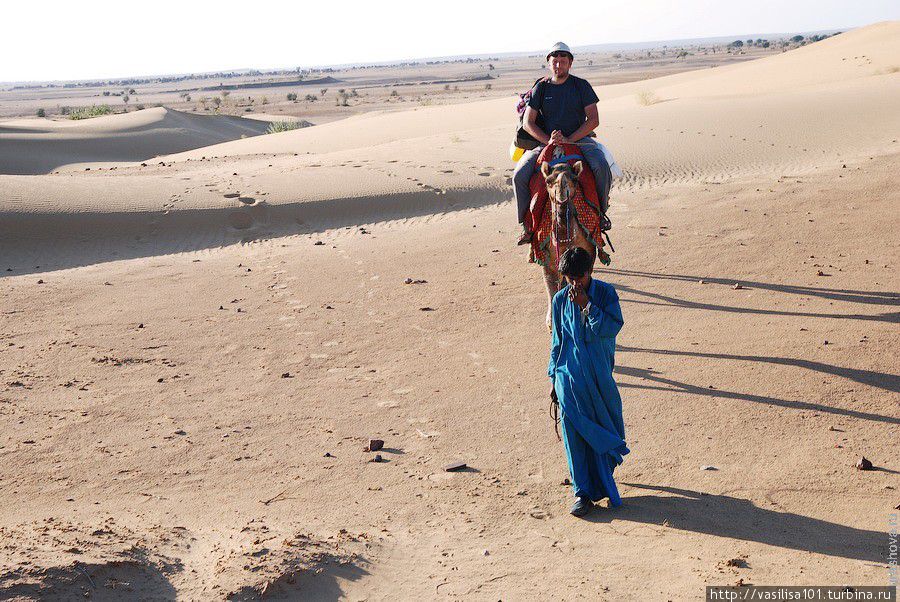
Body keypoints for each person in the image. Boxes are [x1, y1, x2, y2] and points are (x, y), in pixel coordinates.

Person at [548, 246, 629, 517]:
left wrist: (587, 306)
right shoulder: (559, 301)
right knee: (573, 434)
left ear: (590, 272)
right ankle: (581, 493)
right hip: (569, 380)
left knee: (606, 430)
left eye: (578, 278)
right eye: (569, 279)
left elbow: (610, 328)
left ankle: (602, 481)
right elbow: (557, 342)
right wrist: (553, 378)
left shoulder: (606, 294)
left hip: (599, 379)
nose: (574, 285)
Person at [514, 42, 613, 245]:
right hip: (546, 142)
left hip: (579, 139)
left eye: (563, 61)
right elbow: (528, 122)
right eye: (555, 61)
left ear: (570, 63)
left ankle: (601, 214)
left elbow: (593, 120)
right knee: (519, 175)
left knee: (600, 166)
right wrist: (548, 140)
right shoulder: (541, 87)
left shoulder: (581, 85)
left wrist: (570, 139)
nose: (558, 65)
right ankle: (526, 226)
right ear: (549, 63)